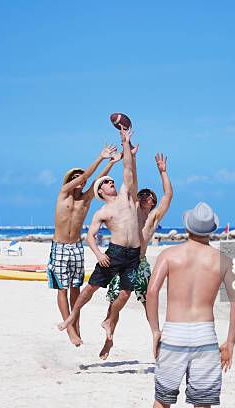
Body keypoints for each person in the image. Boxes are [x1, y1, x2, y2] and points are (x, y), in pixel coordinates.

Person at [146, 202, 235, 408]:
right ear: (212, 229)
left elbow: (152, 292)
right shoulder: (224, 261)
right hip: (205, 335)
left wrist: (155, 331)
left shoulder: (169, 255)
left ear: (187, 226)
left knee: (162, 400)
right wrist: (230, 342)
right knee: (202, 402)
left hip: (174, 332)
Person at [58, 128, 140, 346]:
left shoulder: (126, 197)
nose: (111, 182)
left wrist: (126, 145)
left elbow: (128, 170)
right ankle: (72, 317)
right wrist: (98, 253)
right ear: (100, 191)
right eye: (106, 182)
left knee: (124, 295)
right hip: (113, 254)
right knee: (90, 288)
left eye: (112, 181)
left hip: (133, 255)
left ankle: (108, 322)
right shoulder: (100, 212)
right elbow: (90, 236)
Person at [99, 152, 173, 359]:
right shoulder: (130, 210)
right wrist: (132, 157)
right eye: (142, 194)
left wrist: (163, 172)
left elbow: (168, 196)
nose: (144, 197)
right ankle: (109, 337)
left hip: (139, 263)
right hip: (123, 260)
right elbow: (131, 178)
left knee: (148, 300)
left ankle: (156, 337)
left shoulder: (153, 217)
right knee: (115, 301)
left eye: (148, 196)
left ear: (152, 202)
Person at [49, 144, 121, 346]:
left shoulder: (86, 200)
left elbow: (97, 182)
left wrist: (111, 163)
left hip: (76, 248)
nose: (79, 180)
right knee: (62, 289)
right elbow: (84, 178)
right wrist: (100, 157)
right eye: (75, 178)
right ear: (69, 181)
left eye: (80, 178)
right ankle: (70, 329)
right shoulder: (63, 193)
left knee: (75, 289)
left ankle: (75, 324)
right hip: (60, 247)